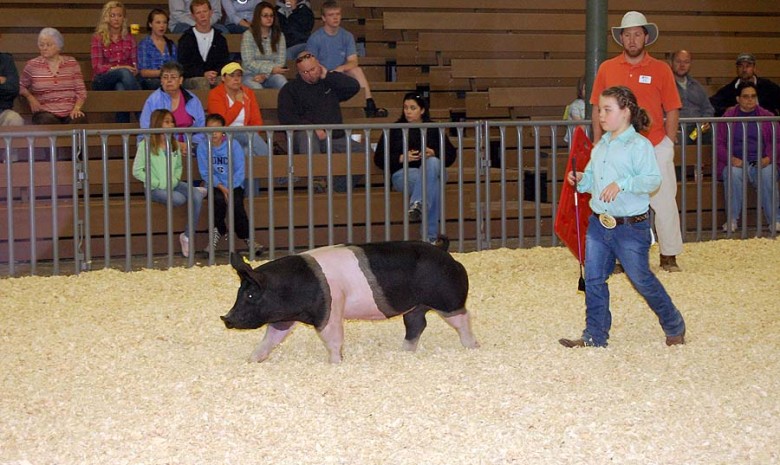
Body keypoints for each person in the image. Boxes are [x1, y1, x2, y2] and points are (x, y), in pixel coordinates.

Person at [559, 86, 686, 349]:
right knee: (593, 279)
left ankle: (674, 324)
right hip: (599, 223)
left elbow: (652, 180)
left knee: (641, 279)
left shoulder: (639, 145)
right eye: (600, 110)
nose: (601, 115)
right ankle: (594, 335)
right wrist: (582, 180)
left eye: (607, 110)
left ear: (626, 112)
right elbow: (594, 179)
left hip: (630, 227)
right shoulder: (601, 146)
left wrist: (623, 183)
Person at [591, 11, 683, 272]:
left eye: (637, 34)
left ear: (646, 37)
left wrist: (669, 142)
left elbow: (673, 107)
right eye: (627, 35)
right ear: (621, 38)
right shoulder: (607, 68)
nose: (632, 39)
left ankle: (669, 254)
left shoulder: (661, 69)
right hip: (617, 146)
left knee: (664, 200)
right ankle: (620, 257)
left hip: (654, 144)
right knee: (618, 202)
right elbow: (598, 106)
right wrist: (598, 141)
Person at [374, 93, 457, 243]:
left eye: (413, 108)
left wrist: (434, 153)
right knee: (434, 185)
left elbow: (451, 155)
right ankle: (429, 238)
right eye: (406, 108)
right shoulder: (394, 130)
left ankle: (418, 203)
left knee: (432, 163)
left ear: (422, 110)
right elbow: (379, 158)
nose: (408, 111)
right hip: (405, 174)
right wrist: (401, 158)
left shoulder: (433, 129)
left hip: (434, 171)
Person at [277, 51, 361, 192]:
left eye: (312, 69)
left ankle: (338, 189)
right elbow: (286, 118)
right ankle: (317, 182)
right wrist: (312, 128)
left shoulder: (329, 82)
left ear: (319, 66)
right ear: (299, 72)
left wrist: (328, 75)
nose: (310, 74)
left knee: (363, 152)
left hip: (334, 137)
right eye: (305, 72)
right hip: (305, 139)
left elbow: (354, 87)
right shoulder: (290, 89)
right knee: (307, 136)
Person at [133, 109, 206, 258]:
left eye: (172, 121)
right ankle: (193, 189)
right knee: (179, 199)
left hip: (173, 183)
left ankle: (187, 236)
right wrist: (156, 182)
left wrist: (174, 179)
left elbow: (179, 166)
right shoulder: (145, 144)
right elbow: (137, 170)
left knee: (196, 196)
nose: (171, 124)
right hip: (155, 187)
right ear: (157, 123)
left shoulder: (173, 144)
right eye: (167, 121)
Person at [716, 81, 780, 232]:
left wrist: (769, 158)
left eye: (753, 96)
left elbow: (778, 142)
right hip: (736, 162)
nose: (750, 99)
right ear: (738, 99)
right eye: (746, 96)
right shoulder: (728, 117)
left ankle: (775, 220)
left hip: (763, 161)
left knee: (768, 174)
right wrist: (731, 159)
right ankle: (732, 220)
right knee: (732, 173)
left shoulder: (767, 116)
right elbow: (718, 143)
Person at [305, 0, 387, 118]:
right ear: (323, 18)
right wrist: (326, 73)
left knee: (356, 70)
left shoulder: (347, 36)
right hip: (323, 76)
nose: (335, 18)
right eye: (331, 15)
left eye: (337, 14)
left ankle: (370, 105)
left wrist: (340, 68)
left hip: (340, 75)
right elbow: (311, 63)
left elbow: (353, 61)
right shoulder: (315, 38)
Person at [197, 113, 264, 254]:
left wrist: (230, 187)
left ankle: (248, 238)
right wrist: (221, 187)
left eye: (216, 129)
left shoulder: (233, 145)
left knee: (236, 204)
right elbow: (205, 172)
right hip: (215, 185)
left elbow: (239, 169)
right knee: (218, 200)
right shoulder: (203, 147)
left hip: (234, 185)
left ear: (223, 130)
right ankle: (217, 232)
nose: (213, 133)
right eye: (209, 129)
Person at [18, 28, 87, 125]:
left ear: (59, 46)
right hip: (45, 113)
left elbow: (81, 91)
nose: (44, 48)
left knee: (79, 121)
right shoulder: (32, 65)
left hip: (70, 112)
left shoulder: (72, 63)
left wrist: (76, 109)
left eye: (48, 45)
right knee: (47, 122)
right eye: (41, 45)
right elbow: (20, 85)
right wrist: (30, 97)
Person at [91, 1, 142, 123]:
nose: (116, 19)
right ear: (106, 18)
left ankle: (122, 130)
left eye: (119, 15)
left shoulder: (129, 39)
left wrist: (131, 70)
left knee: (121, 88)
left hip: (124, 80)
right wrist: (120, 68)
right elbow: (97, 68)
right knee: (123, 72)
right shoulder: (98, 38)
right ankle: (142, 115)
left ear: (124, 18)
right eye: (112, 15)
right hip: (102, 80)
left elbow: (135, 66)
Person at [139, 61, 206, 152]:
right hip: (161, 144)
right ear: (161, 81)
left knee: (205, 147)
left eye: (173, 77)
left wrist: (188, 144)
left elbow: (201, 128)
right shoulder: (152, 100)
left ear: (181, 80)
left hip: (190, 145)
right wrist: (174, 144)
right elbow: (146, 128)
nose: (169, 80)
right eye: (165, 77)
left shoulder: (192, 99)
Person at [207, 62, 269, 156]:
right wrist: (238, 103)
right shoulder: (215, 94)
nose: (236, 79)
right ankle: (271, 163)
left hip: (247, 137)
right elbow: (221, 123)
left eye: (239, 76)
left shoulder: (248, 93)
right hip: (224, 134)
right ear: (223, 78)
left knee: (247, 151)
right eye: (232, 76)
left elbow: (257, 121)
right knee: (248, 136)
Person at [177, 0, 231, 90]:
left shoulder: (220, 38)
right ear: (193, 16)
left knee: (223, 82)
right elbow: (183, 66)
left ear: (211, 12)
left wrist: (214, 73)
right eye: (198, 13)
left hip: (215, 75)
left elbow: (224, 62)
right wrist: (203, 73)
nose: (202, 16)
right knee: (202, 82)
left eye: (205, 11)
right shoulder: (186, 39)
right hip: (192, 77)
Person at [710, 53, 780, 117]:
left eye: (748, 66)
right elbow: (711, 104)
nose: (744, 69)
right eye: (740, 66)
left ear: (754, 68)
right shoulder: (728, 90)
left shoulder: (768, 86)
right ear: (736, 69)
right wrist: (725, 110)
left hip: (766, 129)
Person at [241, 1, 288, 90]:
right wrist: (270, 69)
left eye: (271, 16)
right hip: (250, 74)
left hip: (272, 75)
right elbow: (248, 62)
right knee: (257, 88)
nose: (269, 18)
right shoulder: (248, 35)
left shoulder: (280, 35)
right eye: (265, 16)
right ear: (258, 17)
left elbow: (280, 61)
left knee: (282, 82)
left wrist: (265, 75)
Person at [671, 49, 714, 143]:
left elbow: (708, 108)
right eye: (678, 61)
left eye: (686, 62)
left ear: (690, 64)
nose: (682, 65)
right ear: (671, 62)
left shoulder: (697, 86)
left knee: (714, 135)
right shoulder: (665, 85)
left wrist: (705, 121)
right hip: (677, 128)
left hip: (697, 128)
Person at [137, 8, 178, 90]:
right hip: (151, 81)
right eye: (158, 22)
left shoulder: (171, 44)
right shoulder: (145, 44)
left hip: (169, 79)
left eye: (164, 22)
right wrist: (162, 73)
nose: (162, 26)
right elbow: (143, 72)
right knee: (157, 83)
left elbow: (176, 66)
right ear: (150, 24)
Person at [0, 43, 24, 127]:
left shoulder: (6, 60)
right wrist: (2, 81)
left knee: (15, 119)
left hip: (2, 111)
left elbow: (13, 89)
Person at [563, 76, 586, 145]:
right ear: (580, 90)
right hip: (576, 140)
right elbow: (580, 124)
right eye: (585, 89)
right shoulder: (575, 106)